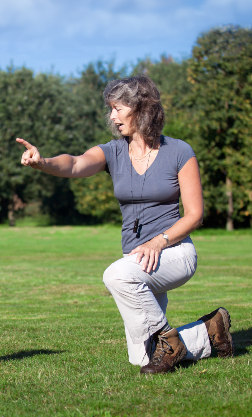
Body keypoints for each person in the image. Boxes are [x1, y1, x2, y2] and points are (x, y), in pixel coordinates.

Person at [17, 75, 233, 374]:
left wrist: (159, 241)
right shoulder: (114, 152)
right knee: (142, 358)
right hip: (137, 261)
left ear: (141, 108)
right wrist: (43, 162)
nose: (112, 116)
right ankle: (211, 330)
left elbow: (194, 214)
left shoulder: (180, 152)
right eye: (110, 109)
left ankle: (168, 342)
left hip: (173, 252)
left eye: (118, 108)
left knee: (115, 275)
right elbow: (76, 163)